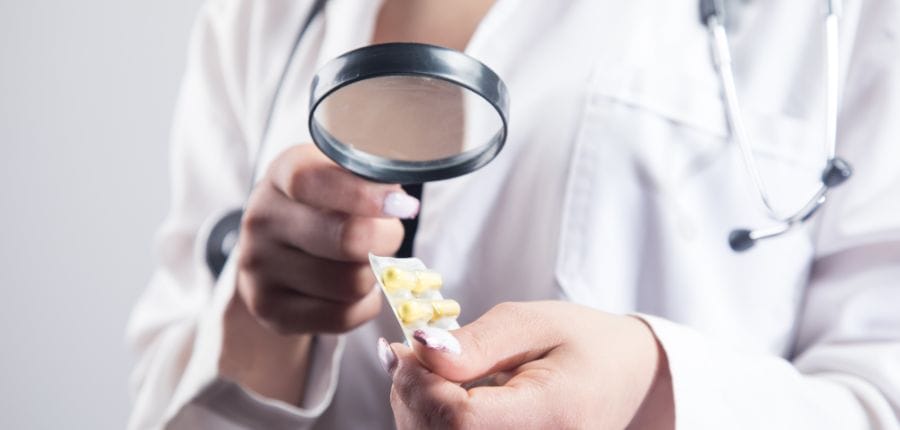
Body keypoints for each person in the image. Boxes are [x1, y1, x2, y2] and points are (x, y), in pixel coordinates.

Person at [126, 0, 900, 428]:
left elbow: (881, 397)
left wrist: (653, 388)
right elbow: (166, 402)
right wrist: (259, 321)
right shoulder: (256, 15)